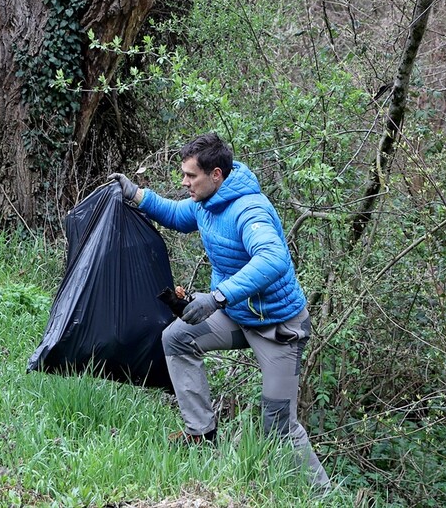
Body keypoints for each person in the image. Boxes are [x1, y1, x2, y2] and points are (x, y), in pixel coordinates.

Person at [109, 132, 330, 489]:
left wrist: (217, 297)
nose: (184, 183)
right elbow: (178, 214)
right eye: (183, 174)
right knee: (177, 338)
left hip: (280, 331)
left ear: (216, 175)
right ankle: (201, 433)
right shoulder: (205, 203)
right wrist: (137, 195)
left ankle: (323, 495)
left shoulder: (250, 210)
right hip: (240, 317)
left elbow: (273, 258)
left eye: (190, 176)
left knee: (278, 423)